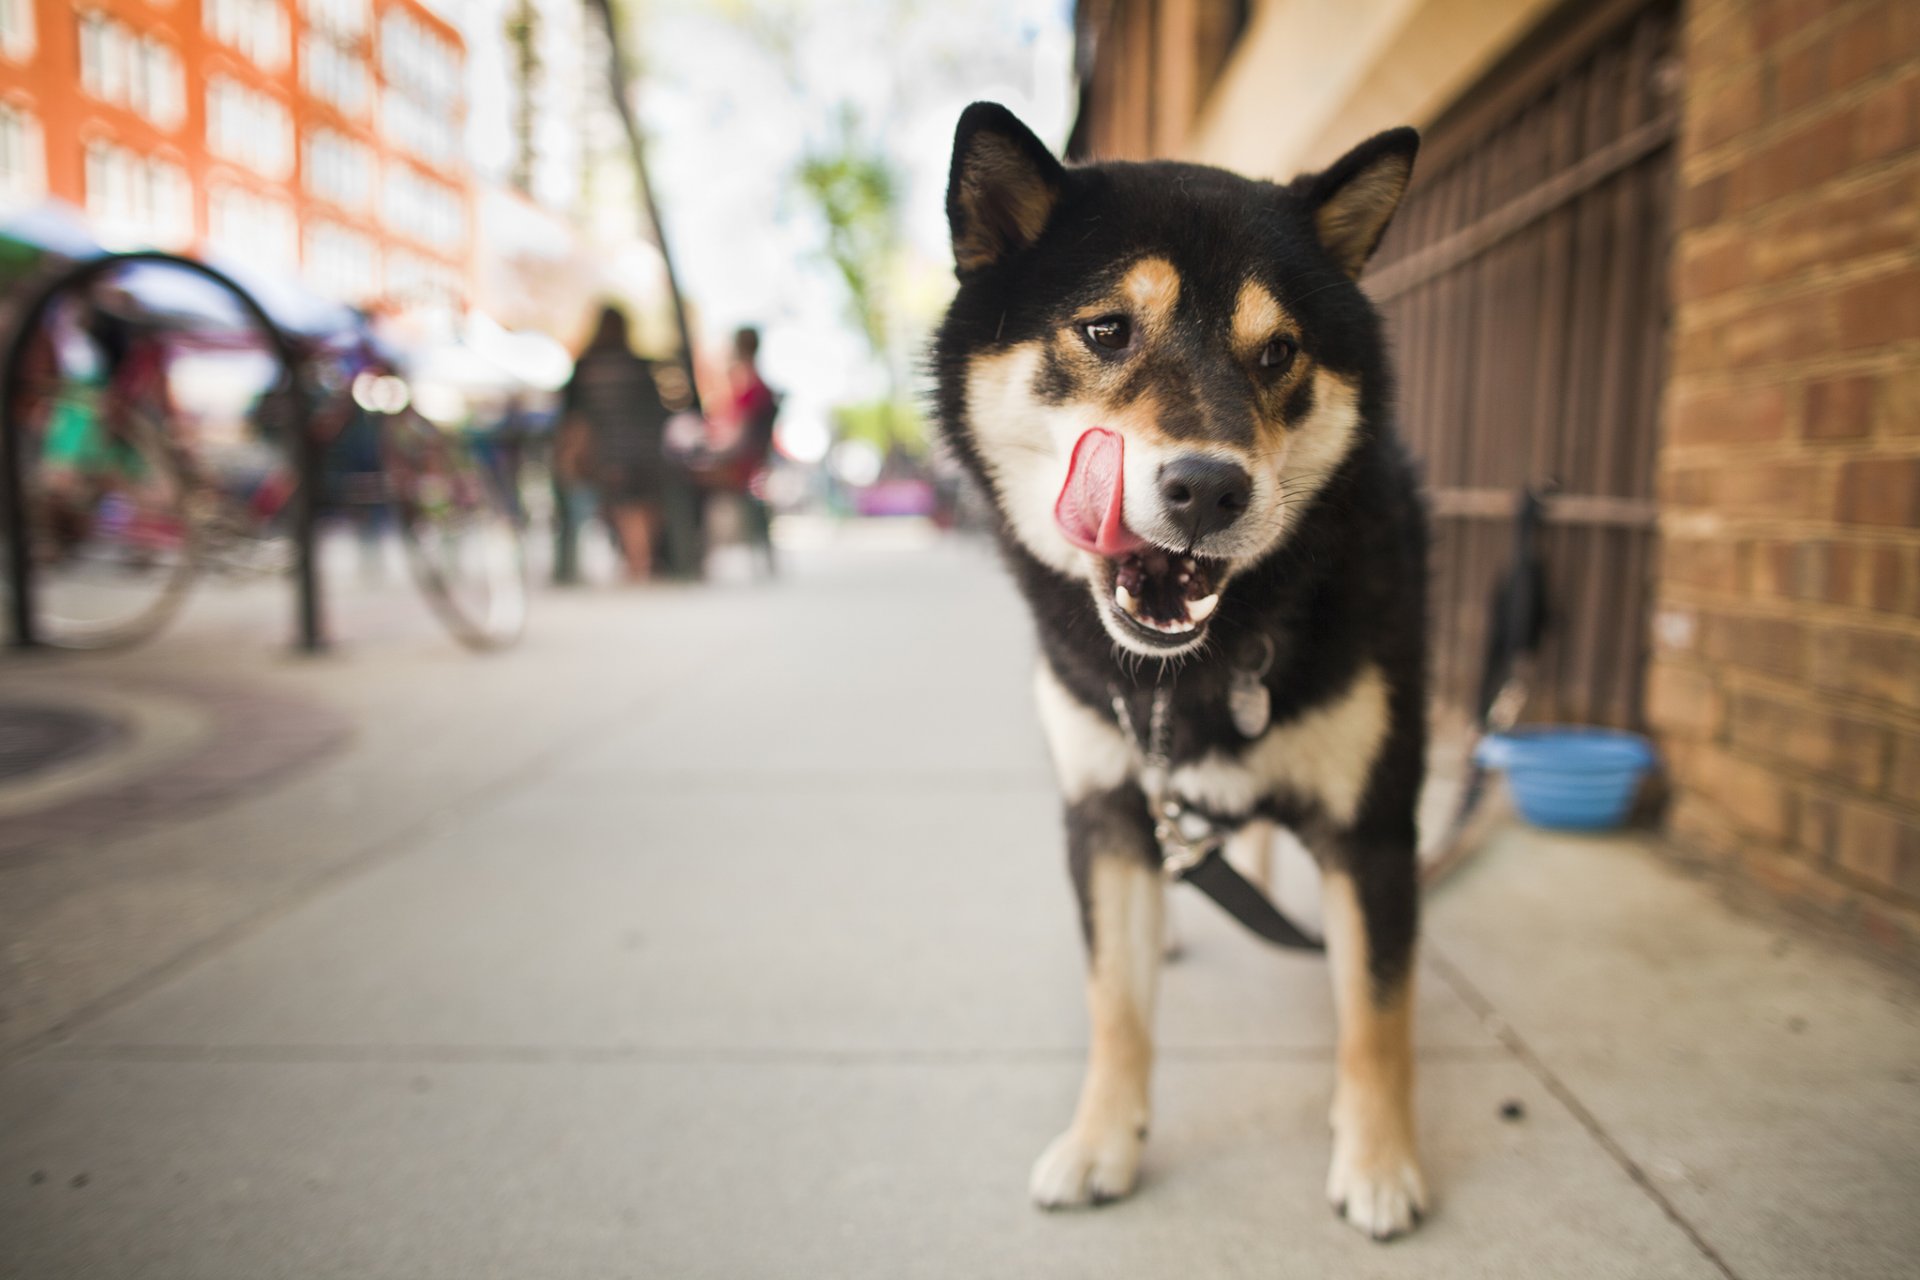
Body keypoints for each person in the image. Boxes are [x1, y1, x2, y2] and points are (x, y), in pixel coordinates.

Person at [555, 305, 670, 582]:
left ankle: (637, 563)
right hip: (645, 449)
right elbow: (658, 410)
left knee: (623, 504)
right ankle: (641, 560)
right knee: (643, 504)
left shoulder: (585, 367)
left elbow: (570, 414)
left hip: (606, 450)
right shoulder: (640, 366)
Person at [711, 325, 779, 577]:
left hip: (740, 464)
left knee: (685, 479)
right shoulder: (758, 384)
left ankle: (685, 556)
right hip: (753, 460)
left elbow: (736, 436)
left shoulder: (748, 386)